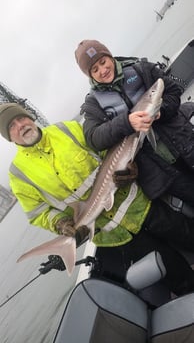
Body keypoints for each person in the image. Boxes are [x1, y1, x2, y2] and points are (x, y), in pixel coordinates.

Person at [1, 102, 194, 296]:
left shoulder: (66, 129)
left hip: (140, 206)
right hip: (113, 235)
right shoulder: (18, 174)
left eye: (21, 118)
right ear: (9, 137)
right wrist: (60, 224)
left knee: (189, 234)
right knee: (174, 274)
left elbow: (105, 149)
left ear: (30, 117)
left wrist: (129, 168)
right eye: (11, 126)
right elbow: (37, 213)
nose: (20, 126)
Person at [74, 39, 194, 211]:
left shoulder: (141, 69)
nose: (103, 70)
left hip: (185, 143)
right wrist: (127, 122)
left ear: (110, 57)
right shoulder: (93, 104)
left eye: (103, 61)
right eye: (95, 69)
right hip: (160, 171)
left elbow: (173, 91)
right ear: (90, 75)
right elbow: (93, 138)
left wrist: (161, 111)